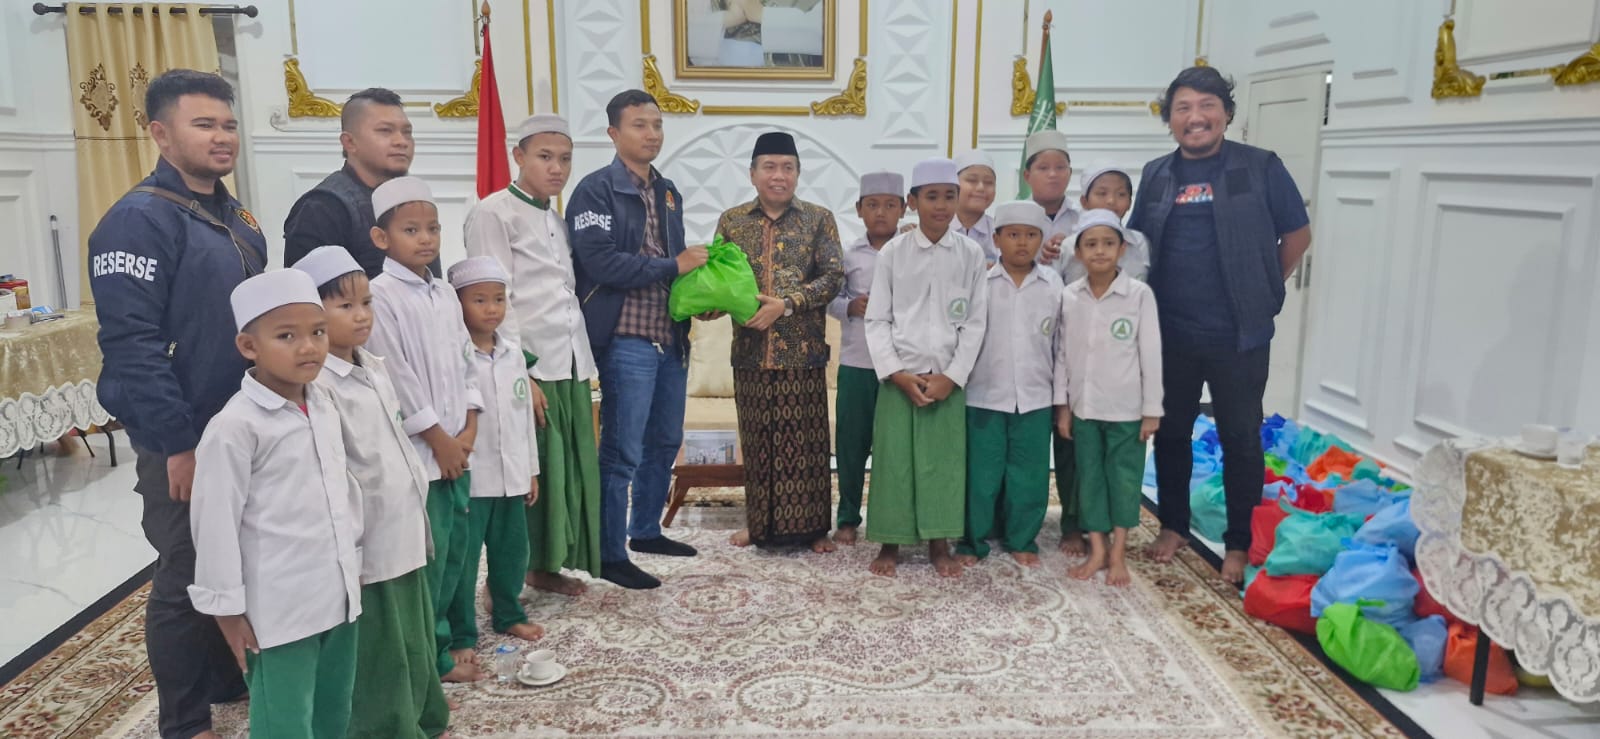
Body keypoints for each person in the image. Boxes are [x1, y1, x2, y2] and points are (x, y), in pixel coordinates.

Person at [89, 68, 258, 739]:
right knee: (185, 573)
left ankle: (223, 680)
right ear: (161, 134)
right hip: (183, 433)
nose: (222, 136)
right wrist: (177, 444)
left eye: (228, 124)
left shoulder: (236, 216)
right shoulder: (137, 221)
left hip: (241, 423)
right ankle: (184, 722)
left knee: (233, 557)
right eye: (204, 124)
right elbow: (132, 348)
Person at [1129, 66, 1311, 585]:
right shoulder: (1157, 174)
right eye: (1183, 108)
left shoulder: (1260, 167)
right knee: (1171, 434)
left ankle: (1237, 543)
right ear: (1170, 120)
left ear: (1227, 114)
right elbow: (1137, 245)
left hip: (1239, 335)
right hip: (1170, 332)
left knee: (1241, 438)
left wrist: (1264, 288)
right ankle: (1173, 525)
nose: (1196, 117)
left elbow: (1297, 234)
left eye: (1207, 105)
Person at [188, 269, 362, 739]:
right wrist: (227, 610)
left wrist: (354, 559)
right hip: (280, 610)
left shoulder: (323, 402)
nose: (308, 347)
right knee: (285, 722)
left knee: (333, 711)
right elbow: (214, 525)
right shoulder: (235, 428)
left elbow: (341, 489)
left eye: (318, 332)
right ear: (249, 346)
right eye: (287, 336)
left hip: (338, 593)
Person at [293, 246, 451, 739]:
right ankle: (390, 728)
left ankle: (424, 716)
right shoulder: (319, 386)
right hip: (369, 542)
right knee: (382, 651)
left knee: (414, 636)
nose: (361, 315)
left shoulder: (374, 366)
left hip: (404, 525)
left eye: (366, 303)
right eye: (345, 306)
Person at [568, 90, 708, 590]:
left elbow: (677, 270)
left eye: (657, 125)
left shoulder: (668, 192)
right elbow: (600, 263)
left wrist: (700, 298)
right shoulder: (594, 190)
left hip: (670, 336)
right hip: (625, 336)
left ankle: (646, 530)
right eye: (639, 125)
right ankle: (610, 554)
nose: (651, 134)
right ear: (613, 133)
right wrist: (674, 266)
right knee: (622, 449)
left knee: (665, 439)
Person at [463, 113, 601, 597]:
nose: (556, 168)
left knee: (565, 472)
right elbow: (491, 298)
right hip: (529, 362)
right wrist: (523, 371)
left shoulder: (556, 219)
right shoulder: (493, 213)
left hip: (570, 357)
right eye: (544, 157)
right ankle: (513, 575)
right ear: (518, 156)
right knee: (532, 470)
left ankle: (547, 565)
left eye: (564, 159)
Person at [364, 176, 485, 682]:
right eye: (411, 229)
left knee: (460, 555)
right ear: (382, 237)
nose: (426, 239)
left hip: (459, 448)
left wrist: (470, 426)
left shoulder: (443, 293)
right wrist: (439, 441)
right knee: (431, 560)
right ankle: (431, 657)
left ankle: (456, 637)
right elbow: (397, 377)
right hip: (424, 456)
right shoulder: (380, 295)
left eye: (432, 228)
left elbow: (466, 359)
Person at [712, 131, 844, 552]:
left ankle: (814, 530)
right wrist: (707, 304)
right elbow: (719, 278)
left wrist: (785, 305)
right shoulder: (732, 221)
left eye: (787, 167)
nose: (778, 175)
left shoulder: (819, 219)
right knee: (758, 446)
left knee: (807, 447)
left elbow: (833, 278)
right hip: (750, 353)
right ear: (752, 174)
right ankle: (759, 527)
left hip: (802, 353)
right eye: (769, 167)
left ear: (798, 174)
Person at [863, 158, 988, 578]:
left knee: (943, 463)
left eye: (949, 196)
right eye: (931, 197)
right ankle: (890, 541)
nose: (941, 205)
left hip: (946, 380)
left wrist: (953, 377)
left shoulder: (971, 254)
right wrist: (896, 373)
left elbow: (975, 322)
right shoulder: (894, 253)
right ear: (913, 202)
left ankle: (939, 542)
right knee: (894, 463)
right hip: (900, 378)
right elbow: (877, 319)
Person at [1055, 210, 1164, 587]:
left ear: (1121, 250)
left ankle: (1118, 553)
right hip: (1085, 409)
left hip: (1127, 410)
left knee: (1123, 481)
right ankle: (1098, 549)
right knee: (1090, 480)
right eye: (1091, 244)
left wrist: (1151, 410)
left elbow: (1151, 354)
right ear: (1078, 253)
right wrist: (1064, 408)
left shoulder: (1139, 295)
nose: (1099, 251)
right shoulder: (1070, 296)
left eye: (1107, 243)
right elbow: (1061, 356)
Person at [448, 256, 547, 648]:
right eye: (480, 300)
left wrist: (530, 471)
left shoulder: (514, 355)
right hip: (473, 478)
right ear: (457, 304)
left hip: (512, 475)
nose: (492, 309)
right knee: (464, 561)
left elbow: (523, 420)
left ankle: (508, 613)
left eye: (499, 299)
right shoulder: (453, 357)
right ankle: (460, 633)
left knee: (512, 553)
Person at [956, 200, 1062, 569]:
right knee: (981, 474)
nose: (1022, 242)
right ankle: (972, 540)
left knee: (1028, 474)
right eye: (1013, 234)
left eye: (1031, 235)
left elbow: (1060, 345)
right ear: (997, 239)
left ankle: (1022, 538)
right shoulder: (980, 283)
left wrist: (1060, 399)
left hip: (1035, 396)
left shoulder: (1053, 285)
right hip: (983, 394)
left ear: (1041, 239)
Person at [284, 88, 439, 277]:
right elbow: (306, 291)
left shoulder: (412, 200)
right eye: (385, 131)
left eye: (407, 132)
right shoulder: (322, 207)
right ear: (349, 142)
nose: (401, 141)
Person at [1018, 129, 1086, 555]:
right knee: (1022, 446)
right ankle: (1012, 518)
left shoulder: (1085, 219)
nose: (1053, 174)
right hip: (1025, 342)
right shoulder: (1013, 216)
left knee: (1069, 438)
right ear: (1027, 175)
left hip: (1075, 341)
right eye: (1043, 167)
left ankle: (1074, 523)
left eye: (1060, 167)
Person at [828, 171, 905, 546]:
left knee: (894, 449)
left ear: (903, 209)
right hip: (858, 362)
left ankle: (891, 519)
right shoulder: (847, 256)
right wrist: (849, 306)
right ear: (859, 209)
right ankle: (847, 517)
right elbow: (829, 298)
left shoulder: (912, 250)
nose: (881, 212)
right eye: (872, 205)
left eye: (890, 205)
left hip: (901, 367)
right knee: (851, 446)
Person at [1076, 165, 1149, 282]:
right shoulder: (1068, 242)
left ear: (1130, 203)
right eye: (1102, 193)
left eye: (1121, 194)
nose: (1111, 201)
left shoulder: (1138, 242)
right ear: (1084, 202)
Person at [952, 150, 998, 264]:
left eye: (988, 182)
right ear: (954, 184)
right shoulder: (938, 229)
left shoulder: (1000, 232)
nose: (981, 187)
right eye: (972, 180)